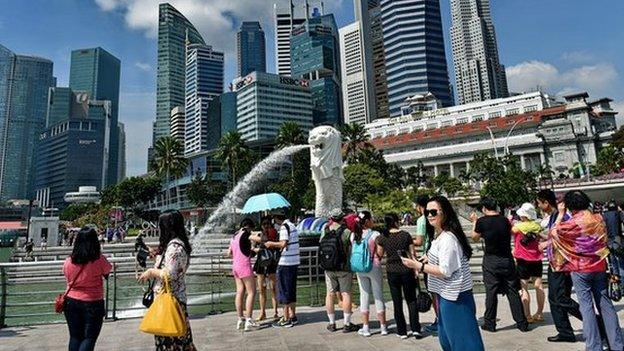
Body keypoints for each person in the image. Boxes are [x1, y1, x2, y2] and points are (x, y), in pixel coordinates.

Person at [402, 196, 484, 351]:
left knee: (463, 342)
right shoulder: (440, 236)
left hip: (455, 297)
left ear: (445, 212)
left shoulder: (448, 238)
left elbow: (445, 271)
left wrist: (417, 265)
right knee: (448, 339)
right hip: (446, 295)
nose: (429, 215)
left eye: (433, 211)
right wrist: (428, 257)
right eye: (427, 212)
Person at [552, 191, 623, 351]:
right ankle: (617, 344)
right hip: (599, 265)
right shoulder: (598, 218)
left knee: (587, 307)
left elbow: (554, 233)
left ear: (570, 205)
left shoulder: (571, 223)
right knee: (606, 304)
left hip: (580, 268)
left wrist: (561, 213)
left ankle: (594, 346)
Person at [137, 210, 196, 351]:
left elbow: (170, 274)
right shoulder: (173, 245)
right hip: (172, 299)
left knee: (171, 343)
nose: (159, 228)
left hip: (171, 302)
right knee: (179, 342)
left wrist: (151, 272)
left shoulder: (174, 248)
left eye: (161, 225)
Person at [470, 197, 528, 333]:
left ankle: (490, 323)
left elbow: (474, 237)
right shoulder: (504, 220)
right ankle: (522, 323)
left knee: (491, 292)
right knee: (513, 291)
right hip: (507, 259)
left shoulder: (481, 221)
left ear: (484, 208)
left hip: (491, 260)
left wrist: (474, 222)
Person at [536, 189, 582, 343]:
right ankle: (565, 332)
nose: (538, 206)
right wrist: (542, 237)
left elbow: (566, 239)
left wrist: (546, 243)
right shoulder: (554, 217)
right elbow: (555, 235)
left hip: (562, 264)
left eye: (539, 203)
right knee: (554, 299)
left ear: (546, 202)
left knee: (561, 297)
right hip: (554, 262)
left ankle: (593, 320)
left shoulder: (563, 217)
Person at [62, 227, 112, 351]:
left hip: (71, 301)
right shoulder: (98, 259)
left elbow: (66, 275)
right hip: (93, 302)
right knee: (89, 337)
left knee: (74, 337)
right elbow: (108, 270)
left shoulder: (69, 261)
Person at [376, 213, 422, 339]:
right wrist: (416, 268)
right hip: (406, 269)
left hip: (392, 271)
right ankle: (415, 328)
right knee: (411, 300)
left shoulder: (382, 237)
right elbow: (412, 253)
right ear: (396, 221)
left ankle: (402, 331)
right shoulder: (405, 235)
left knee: (397, 302)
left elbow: (379, 255)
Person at [321, 209, 358, 333]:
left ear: (331, 218)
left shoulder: (325, 230)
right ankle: (347, 323)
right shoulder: (347, 232)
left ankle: (332, 323)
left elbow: (321, 244)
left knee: (330, 294)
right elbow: (353, 247)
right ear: (342, 218)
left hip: (328, 267)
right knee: (346, 293)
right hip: (344, 267)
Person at [351, 211, 388, 337]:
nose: (373, 220)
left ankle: (365, 327)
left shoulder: (354, 235)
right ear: (367, 221)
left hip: (360, 268)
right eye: (371, 218)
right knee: (378, 296)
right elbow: (380, 252)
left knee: (364, 296)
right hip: (374, 266)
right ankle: (383, 327)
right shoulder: (375, 234)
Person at [511, 203, 545, 323]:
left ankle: (528, 315)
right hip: (536, 258)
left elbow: (510, 231)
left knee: (524, 288)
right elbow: (542, 236)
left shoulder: (518, 227)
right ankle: (540, 313)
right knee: (538, 286)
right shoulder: (536, 226)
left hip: (522, 260)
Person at [265, 212, 300, 328]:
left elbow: (283, 244)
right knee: (291, 290)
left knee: (284, 290)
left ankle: (285, 318)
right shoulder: (293, 225)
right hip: (294, 261)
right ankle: (293, 316)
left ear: (276, 219)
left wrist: (271, 244)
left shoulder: (284, 228)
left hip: (286, 263)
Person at [413, 195, 439, 334]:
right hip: (436, 255)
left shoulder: (422, 220)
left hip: (428, 257)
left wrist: (405, 239)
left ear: (419, 206)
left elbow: (419, 241)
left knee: (433, 291)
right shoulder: (436, 218)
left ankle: (439, 319)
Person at [227, 218, 257, 331]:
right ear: (248, 227)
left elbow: (229, 253)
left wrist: (251, 251)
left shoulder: (234, 236)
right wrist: (262, 238)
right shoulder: (246, 233)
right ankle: (249, 319)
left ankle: (240, 319)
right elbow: (257, 238)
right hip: (244, 266)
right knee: (251, 292)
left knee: (240, 292)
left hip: (235, 266)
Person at [250, 217, 280, 322]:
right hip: (263, 262)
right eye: (264, 224)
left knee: (272, 288)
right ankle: (263, 312)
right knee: (263, 289)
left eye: (267, 223)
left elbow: (264, 241)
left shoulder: (272, 233)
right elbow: (255, 248)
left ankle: (275, 312)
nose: (265, 225)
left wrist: (255, 245)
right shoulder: (263, 234)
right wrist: (255, 248)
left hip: (268, 261)